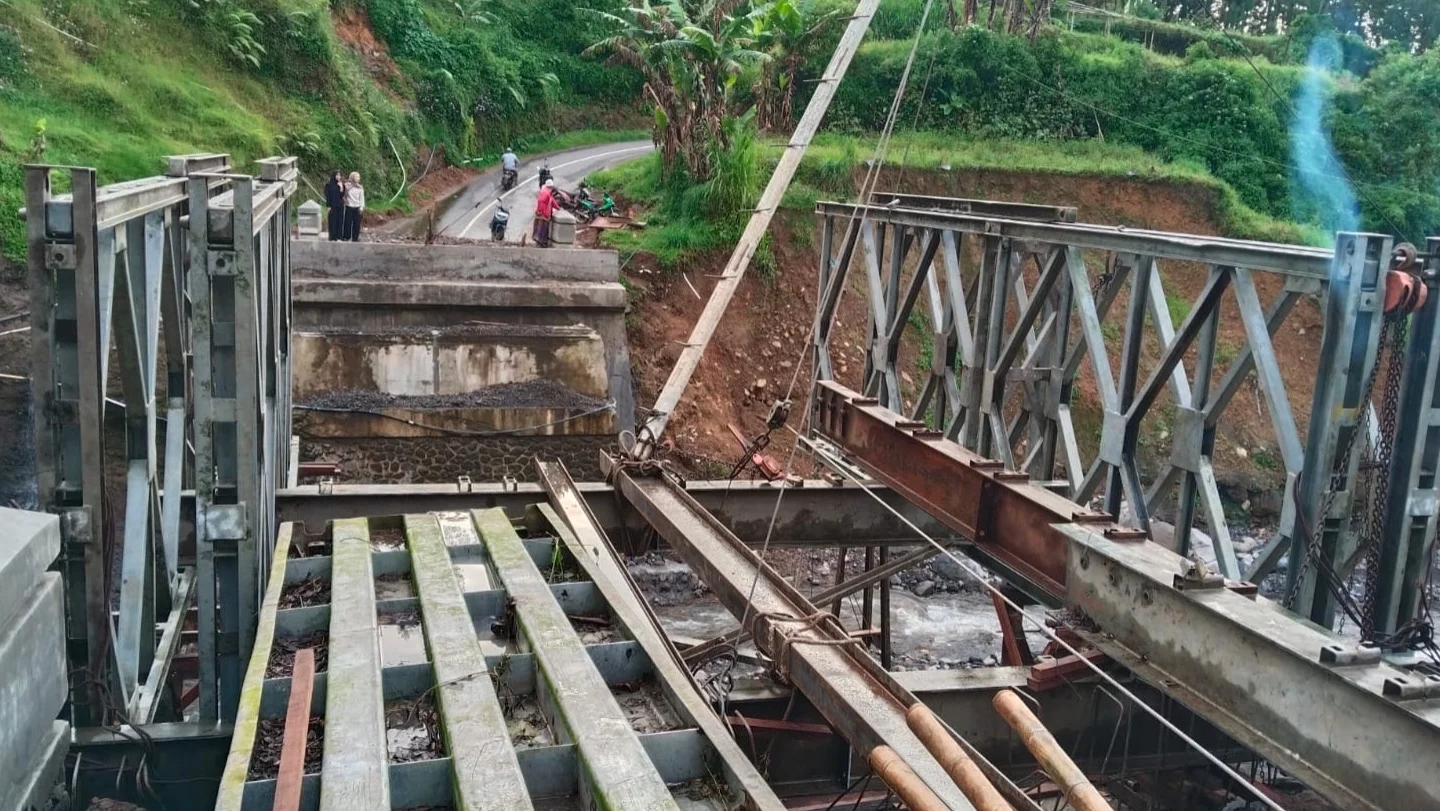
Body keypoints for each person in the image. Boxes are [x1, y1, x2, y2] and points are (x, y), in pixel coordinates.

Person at [533, 178, 556, 247]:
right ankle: (542, 242)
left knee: (538, 228)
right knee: (543, 229)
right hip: (544, 214)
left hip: (539, 213)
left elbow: (552, 202)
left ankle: (538, 240)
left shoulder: (543, 192)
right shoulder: (547, 194)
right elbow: (551, 203)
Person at [343, 171, 365, 242]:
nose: (358, 178)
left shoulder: (360, 187)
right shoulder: (346, 186)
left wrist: (361, 207)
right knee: (347, 223)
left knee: (357, 224)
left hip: (357, 207)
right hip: (349, 206)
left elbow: (361, 198)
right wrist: (345, 201)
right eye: (356, 177)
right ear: (352, 177)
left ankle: (355, 237)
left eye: (358, 177)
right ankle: (346, 236)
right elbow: (343, 195)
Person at [323, 171, 345, 241]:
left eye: (339, 175)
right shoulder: (329, 185)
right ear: (334, 176)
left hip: (340, 205)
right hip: (332, 205)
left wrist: (341, 188)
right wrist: (328, 205)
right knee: (332, 221)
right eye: (337, 175)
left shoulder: (341, 185)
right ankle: (332, 236)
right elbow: (328, 196)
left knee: (340, 220)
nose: (339, 177)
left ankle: (339, 236)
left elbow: (342, 196)